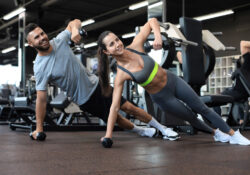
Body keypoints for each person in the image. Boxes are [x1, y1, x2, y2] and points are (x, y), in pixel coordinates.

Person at [97, 17, 250, 146]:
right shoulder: (121, 75)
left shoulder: (136, 45)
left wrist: (158, 36)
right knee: (190, 117)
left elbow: (152, 21)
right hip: (163, 97)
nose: (117, 44)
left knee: (202, 108)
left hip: (173, 81)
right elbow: (115, 107)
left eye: (116, 39)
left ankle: (233, 134)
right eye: (111, 44)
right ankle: (215, 132)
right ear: (106, 52)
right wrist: (108, 135)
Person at [25, 19, 180, 141]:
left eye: (42, 34)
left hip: (98, 84)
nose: (42, 38)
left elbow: (75, 22)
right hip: (84, 99)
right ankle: (143, 131)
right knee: (116, 119)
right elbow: (41, 98)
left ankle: (163, 129)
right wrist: (39, 128)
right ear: (31, 44)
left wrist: (74, 31)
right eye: (37, 37)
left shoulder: (59, 41)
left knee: (129, 107)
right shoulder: (40, 67)